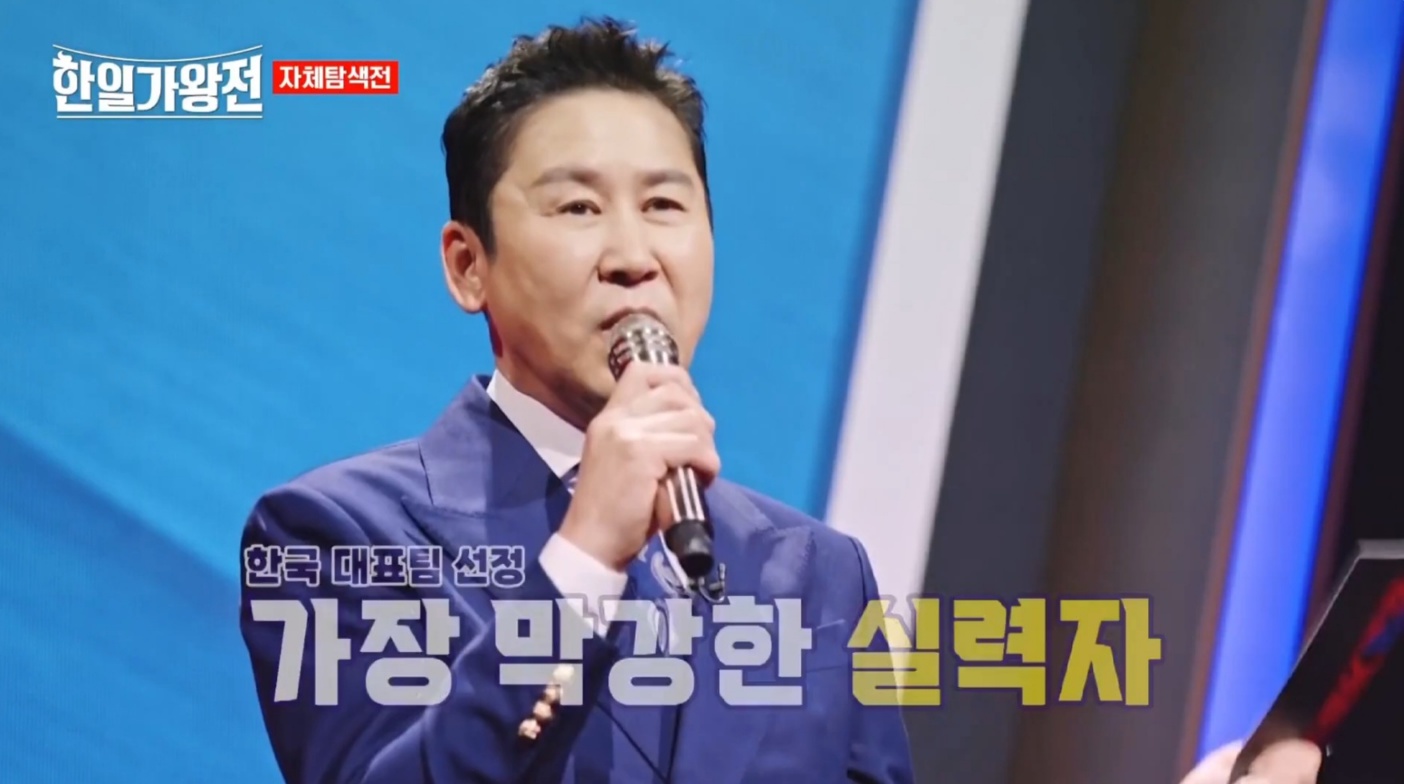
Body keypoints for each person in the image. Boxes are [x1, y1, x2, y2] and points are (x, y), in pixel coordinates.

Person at [239, 17, 1323, 784]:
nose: (633, 254)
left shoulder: (814, 575)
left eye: (667, 206)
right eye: (576, 208)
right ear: (467, 265)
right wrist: (581, 561)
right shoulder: (333, 533)